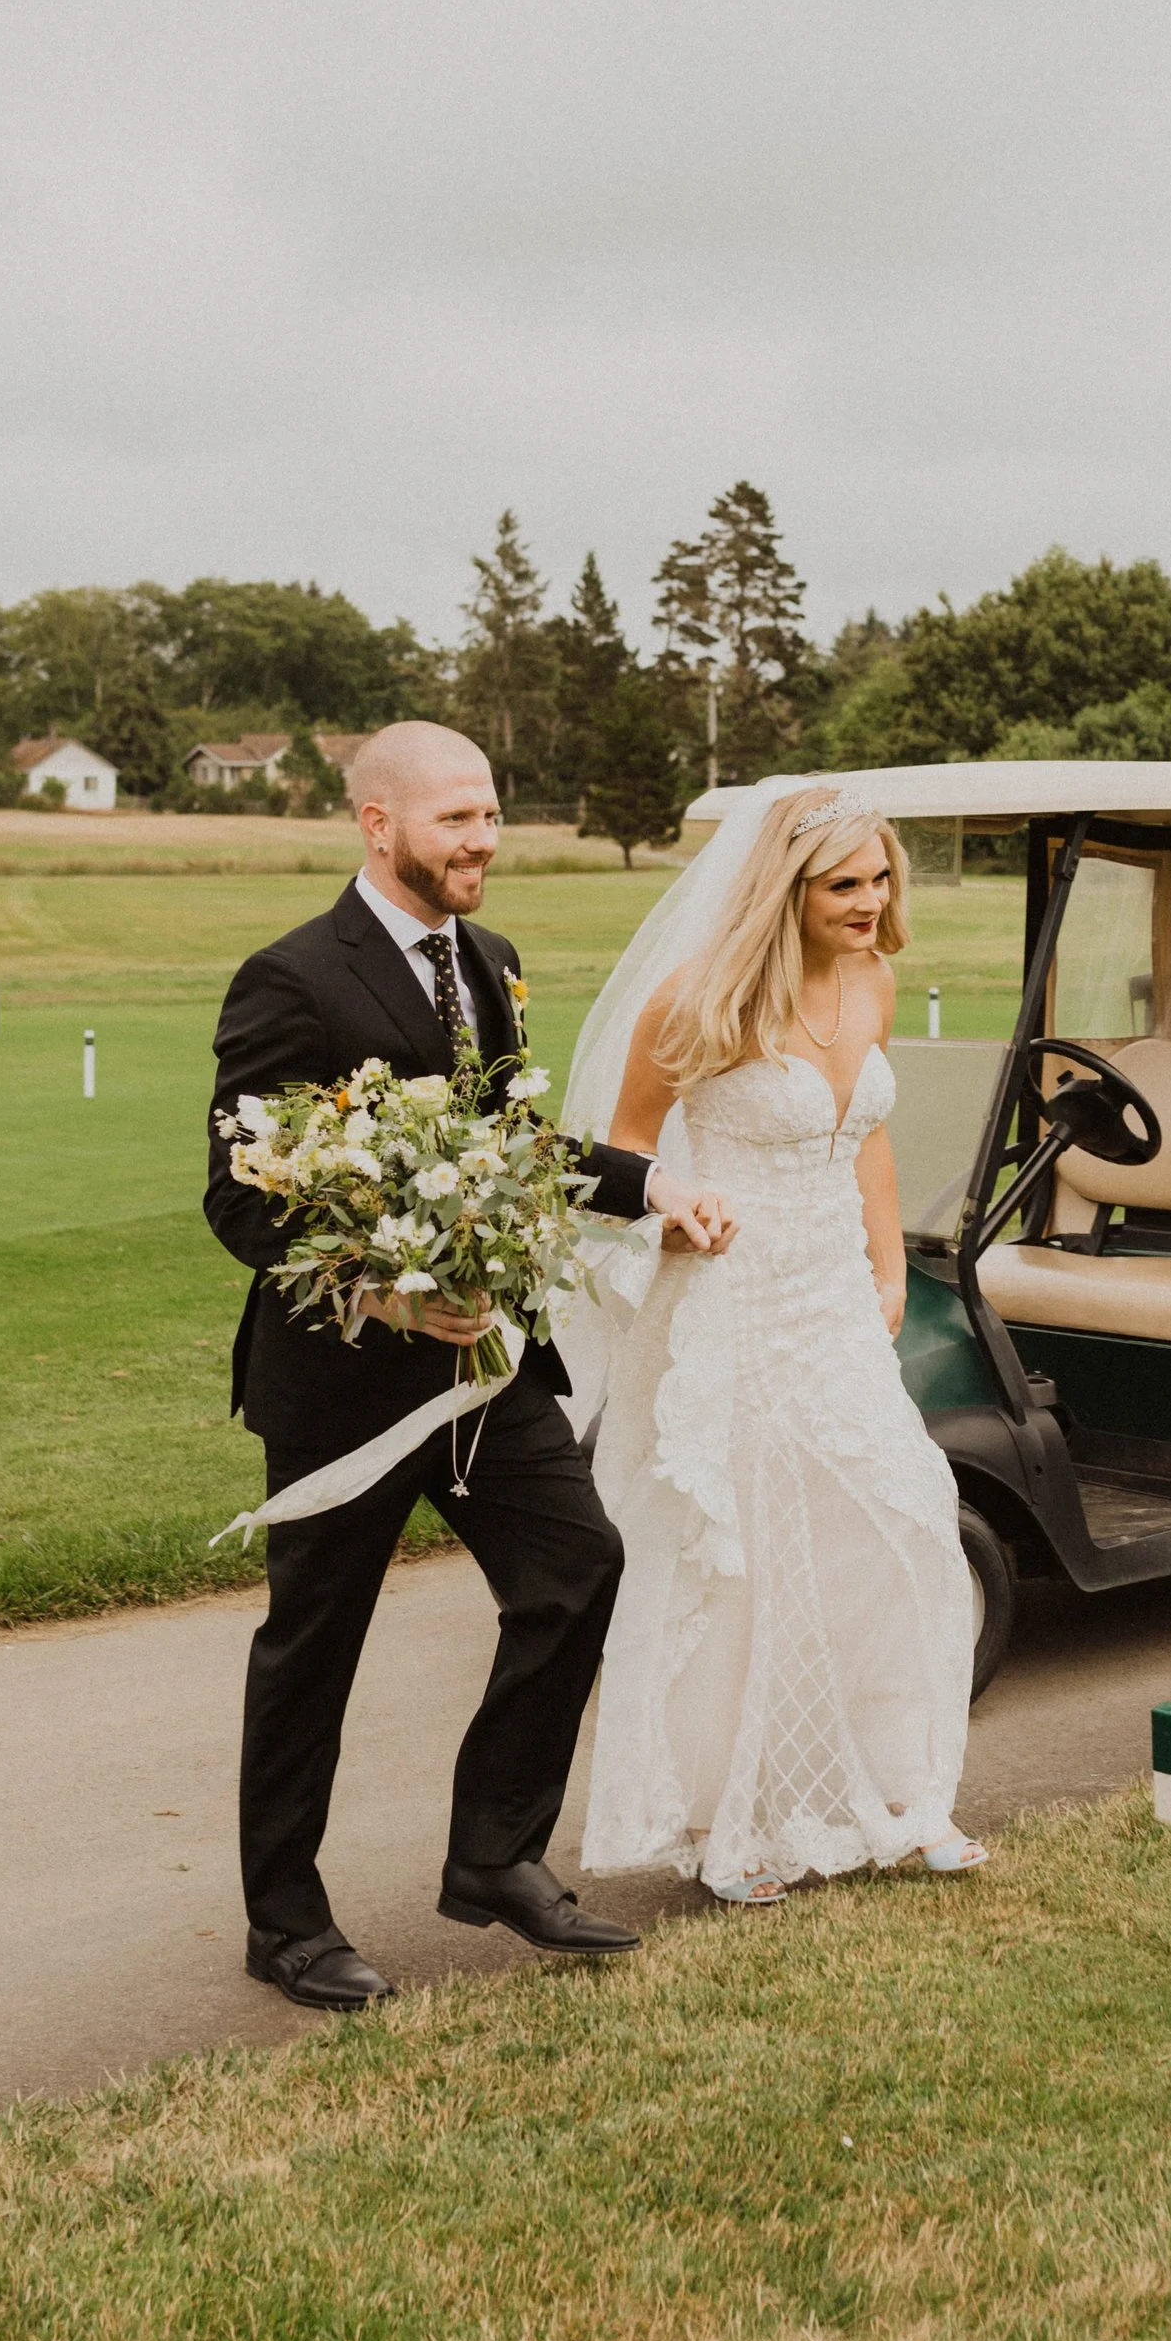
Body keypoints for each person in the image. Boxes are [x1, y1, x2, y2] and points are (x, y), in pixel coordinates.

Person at [205, 722, 737, 2012]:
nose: (483, 841)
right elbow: (240, 1196)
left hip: (486, 1371)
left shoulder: (486, 962)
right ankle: (284, 1925)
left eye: (492, 815)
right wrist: (385, 1291)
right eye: (456, 820)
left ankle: (495, 1854)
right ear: (376, 824)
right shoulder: (288, 979)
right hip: (341, 1387)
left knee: (576, 1568)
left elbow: (504, 1146)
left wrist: (648, 1183)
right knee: (314, 1648)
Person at [566, 780, 981, 1905]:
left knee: (894, 1514)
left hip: (834, 1293)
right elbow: (629, 1151)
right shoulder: (699, 1000)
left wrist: (889, 1267)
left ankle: (902, 1795)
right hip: (734, 1297)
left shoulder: (874, 979)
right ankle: (727, 1817)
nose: (868, 900)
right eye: (841, 884)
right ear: (783, 889)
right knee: (742, 1553)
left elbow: (867, 1138)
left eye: (879, 877)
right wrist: (677, 1210)